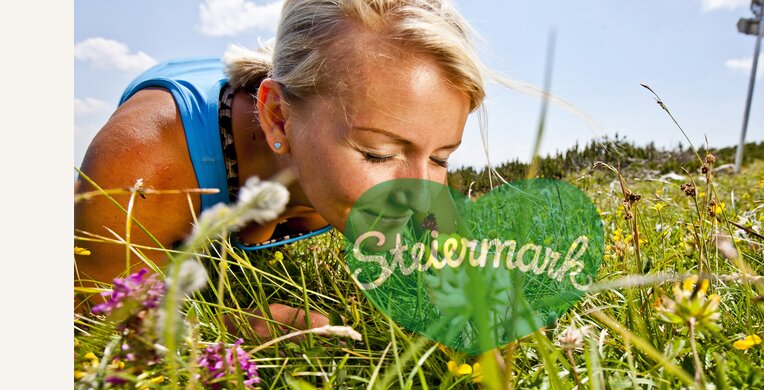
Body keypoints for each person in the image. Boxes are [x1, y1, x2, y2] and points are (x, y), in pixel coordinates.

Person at [75, 0, 489, 337]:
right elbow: (93, 321)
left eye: (440, 158)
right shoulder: (141, 171)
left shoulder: (342, 153)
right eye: (378, 154)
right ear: (276, 117)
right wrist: (228, 328)